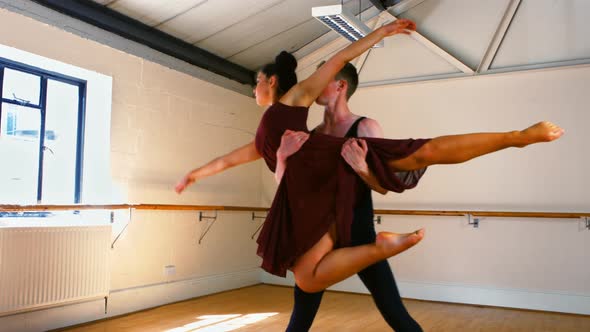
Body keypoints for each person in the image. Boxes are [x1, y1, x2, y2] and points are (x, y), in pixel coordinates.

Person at [175, 18, 563, 295]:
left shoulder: (294, 100)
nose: (253, 88)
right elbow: (229, 159)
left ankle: (517, 137)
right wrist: (194, 175)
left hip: (325, 167)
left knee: (419, 152)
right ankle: (382, 247)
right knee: (308, 280)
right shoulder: (271, 133)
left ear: (272, 81)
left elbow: (337, 60)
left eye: (255, 81)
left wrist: (382, 31)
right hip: (312, 193)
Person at [282, 62, 422, 331]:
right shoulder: (310, 136)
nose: (314, 83)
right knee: (299, 318)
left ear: (341, 86)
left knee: (395, 313)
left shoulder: (366, 127)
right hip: (319, 237)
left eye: (322, 78)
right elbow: (297, 191)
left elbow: (382, 186)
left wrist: (362, 168)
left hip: (359, 234)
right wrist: (283, 157)